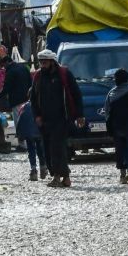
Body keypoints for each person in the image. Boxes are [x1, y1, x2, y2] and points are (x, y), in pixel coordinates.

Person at [29, 50, 84, 188]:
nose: (42, 64)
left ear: (52, 61)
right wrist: (37, 116)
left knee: (56, 147)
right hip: (45, 120)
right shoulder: (38, 77)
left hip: (62, 118)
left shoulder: (64, 74)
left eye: (45, 62)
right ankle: (65, 177)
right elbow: (33, 99)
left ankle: (57, 177)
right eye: (41, 62)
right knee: (47, 148)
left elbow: (76, 94)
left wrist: (79, 115)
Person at [103, 69, 128, 185]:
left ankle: (122, 175)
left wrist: (109, 127)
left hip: (117, 128)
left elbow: (107, 112)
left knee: (120, 150)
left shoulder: (111, 93)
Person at [15, 100, 47, 182]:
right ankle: (43, 167)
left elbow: (19, 120)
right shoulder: (42, 104)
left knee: (31, 151)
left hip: (28, 133)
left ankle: (33, 170)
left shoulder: (24, 106)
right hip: (39, 132)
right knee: (40, 150)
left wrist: (19, 133)